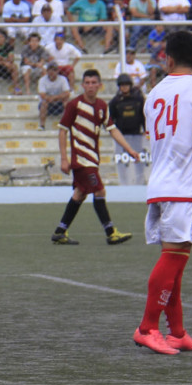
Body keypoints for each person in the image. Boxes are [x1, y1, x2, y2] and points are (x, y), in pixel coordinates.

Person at [135, 30, 192, 355]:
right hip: (184, 187)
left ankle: (177, 332)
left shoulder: (154, 93)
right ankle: (147, 328)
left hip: (159, 184)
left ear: (167, 59)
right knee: (173, 258)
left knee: (175, 263)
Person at [50, 69, 140, 247]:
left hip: (92, 159)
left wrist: (130, 149)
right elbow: (62, 131)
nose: (90, 86)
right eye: (87, 83)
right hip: (81, 160)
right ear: (82, 85)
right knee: (99, 191)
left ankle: (60, 231)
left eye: (93, 83)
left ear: (100, 85)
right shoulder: (74, 105)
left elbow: (112, 129)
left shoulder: (102, 106)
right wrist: (64, 159)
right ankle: (111, 232)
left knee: (80, 194)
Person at [108, 74, 146, 186]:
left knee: (138, 159)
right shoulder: (115, 102)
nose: (124, 87)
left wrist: (145, 130)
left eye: (126, 85)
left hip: (136, 135)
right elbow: (111, 119)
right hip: (121, 137)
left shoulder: (138, 99)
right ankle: (123, 182)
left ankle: (140, 181)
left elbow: (143, 116)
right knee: (121, 161)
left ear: (130, 85)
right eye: (122, 85)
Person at [37, 62, 71, 131]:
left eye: (54, 70)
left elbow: (67, 93)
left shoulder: (63, 79)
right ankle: (42, 125)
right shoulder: (42, 80)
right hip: (48, 104)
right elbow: (43, 95)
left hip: (59, 103)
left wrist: (53, 98)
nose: (52, 72)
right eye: (50, 70)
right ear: (47, 71)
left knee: (66, 103)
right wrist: (59, 96)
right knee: (44, 103)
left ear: (58, 71)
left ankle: (67, 124)